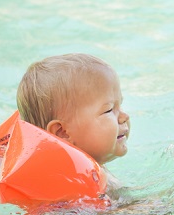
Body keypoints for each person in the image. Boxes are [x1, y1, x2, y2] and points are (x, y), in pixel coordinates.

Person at [16, 53, 130, 191]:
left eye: (120, 105)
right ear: (62, 132)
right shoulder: (75, 188)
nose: (124, 117)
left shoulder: (90, 172)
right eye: (109, 110)